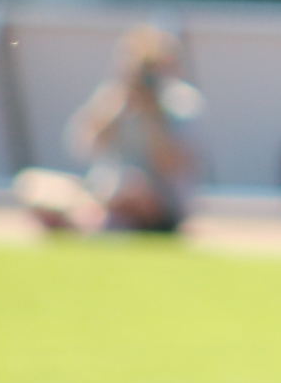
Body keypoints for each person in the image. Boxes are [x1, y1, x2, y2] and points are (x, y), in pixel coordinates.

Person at [13, 26, 204, 233]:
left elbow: (171, 165)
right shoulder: (113, 97)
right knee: (32, 185)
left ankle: (88, 223)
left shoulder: (180, 103)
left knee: (133, 186)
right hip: (103, 191)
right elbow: (85, 146)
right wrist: (118, 109)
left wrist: (152, 118)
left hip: (156, 200)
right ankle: (94, 220)